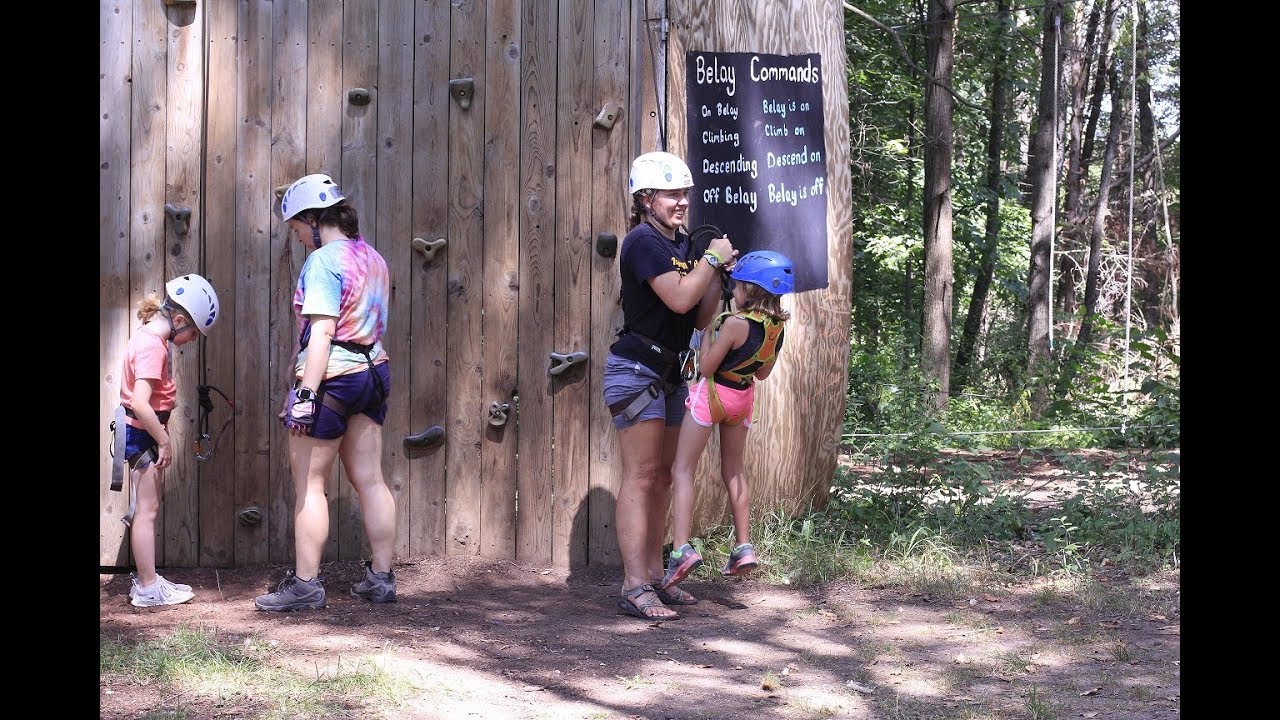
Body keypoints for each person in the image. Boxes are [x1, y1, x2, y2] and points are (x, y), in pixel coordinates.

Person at [254, 173, 399, 612]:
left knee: (310, 485)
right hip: (373, 374)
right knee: (370, 478)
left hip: (331, 379)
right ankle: (381, 577)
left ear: (314, 220)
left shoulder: (322, 262)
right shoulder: (373, 258)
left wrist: (304, 394)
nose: (298, 238)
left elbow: (321, 334)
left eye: (298, 228)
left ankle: (305, 585)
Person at [603, 151, 738, 621]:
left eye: (685, 193)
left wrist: (717, 277)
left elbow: (700, 315)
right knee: (641, 475)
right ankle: (633, 583)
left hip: (671, 374)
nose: (681, 202)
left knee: (663, 475)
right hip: (636, 370)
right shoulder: (642, 242)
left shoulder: (683, 246)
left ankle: (657, 577)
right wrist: (709, 261)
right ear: (645, 200)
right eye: (670, 194)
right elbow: (680, 299)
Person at [659, 250, 794, 594]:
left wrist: (707, 335)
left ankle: (680, 550)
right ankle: (744, 547)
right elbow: (762, 373)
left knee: (683, 469)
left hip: (712, 396)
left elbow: (705, 368)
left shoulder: (733, 324)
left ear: (751, 289)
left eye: (739, 286)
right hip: (742, 399)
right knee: (734, 471)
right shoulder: (776, 329)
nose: (735, 291)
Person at [118, 273, 221, 607]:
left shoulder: (152, 340)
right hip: (143, 433)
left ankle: (149, 580)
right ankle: (147, 587)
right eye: (193, 332)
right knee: (146, 512)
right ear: (178, 320)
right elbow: (140, 403)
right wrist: (164, 441)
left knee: (149, 508)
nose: (192, 339)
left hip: (145, 431)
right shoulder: (153, 348)